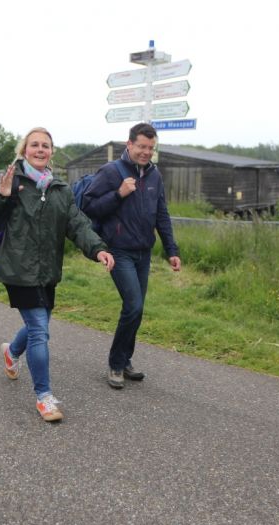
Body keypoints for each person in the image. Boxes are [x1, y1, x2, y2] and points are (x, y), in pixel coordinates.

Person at [0, 127, 114, 422]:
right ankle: (44, 397)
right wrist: (0, 194)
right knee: (39, 330)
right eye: (34, 145)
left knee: (38, 325)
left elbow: (77, 224)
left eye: (46, 145)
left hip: (48, 271)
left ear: (52, 152)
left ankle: (11, 353)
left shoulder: (59, 189)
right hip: (18, 268)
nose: (40, 149)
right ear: (24, 150)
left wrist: (98, 249)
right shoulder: (10, 178)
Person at [83, 123, 182, 390]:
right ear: (129, 145)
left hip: (143, 252)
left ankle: (125, 360)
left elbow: (162, 215)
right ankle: (116, 364)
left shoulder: (155, 175)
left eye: (150, 148)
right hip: (119, 251)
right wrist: (119, 194)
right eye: (141, 146)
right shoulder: (111, 172)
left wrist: (171, 250)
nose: (146, 152)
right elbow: (89, 206)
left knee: (136, 310)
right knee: (133, 306)